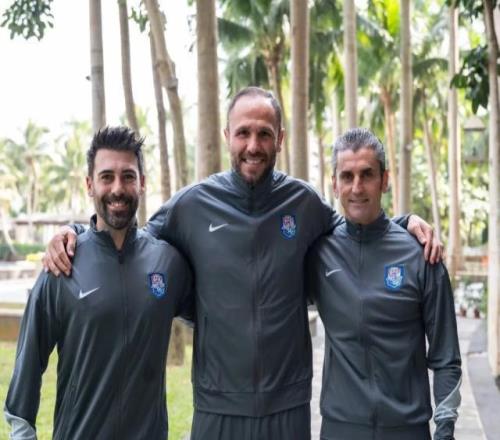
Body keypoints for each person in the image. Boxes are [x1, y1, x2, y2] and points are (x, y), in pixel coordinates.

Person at [42, 88, 442, 439]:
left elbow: (357, 230)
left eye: (264, 133)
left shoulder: (303, 203)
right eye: (243, 133)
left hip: (287, 408)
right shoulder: (192, 204)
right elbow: (130, 239)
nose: (253, 145)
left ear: (280, 138)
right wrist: (76, 231)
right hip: (217, 408)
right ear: (227, 136)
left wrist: (403, 224)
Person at [4, 126, 193, 439]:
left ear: (142, 183)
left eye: (128, 176)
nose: (117, 188)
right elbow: (28, 362)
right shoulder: (62, 264)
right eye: (107, 177)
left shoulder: (168, 263)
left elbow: (214, 323)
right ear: (90, 185)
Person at [307, 128, 461, 440]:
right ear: (334, 184)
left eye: (367, 174)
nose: (357, 187)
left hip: (407, 430)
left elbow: (446, 358)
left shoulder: (422, 255)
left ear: (385, 180)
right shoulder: (318, 253)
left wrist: (445, 432)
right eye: (347, 176)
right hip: (340, 429)